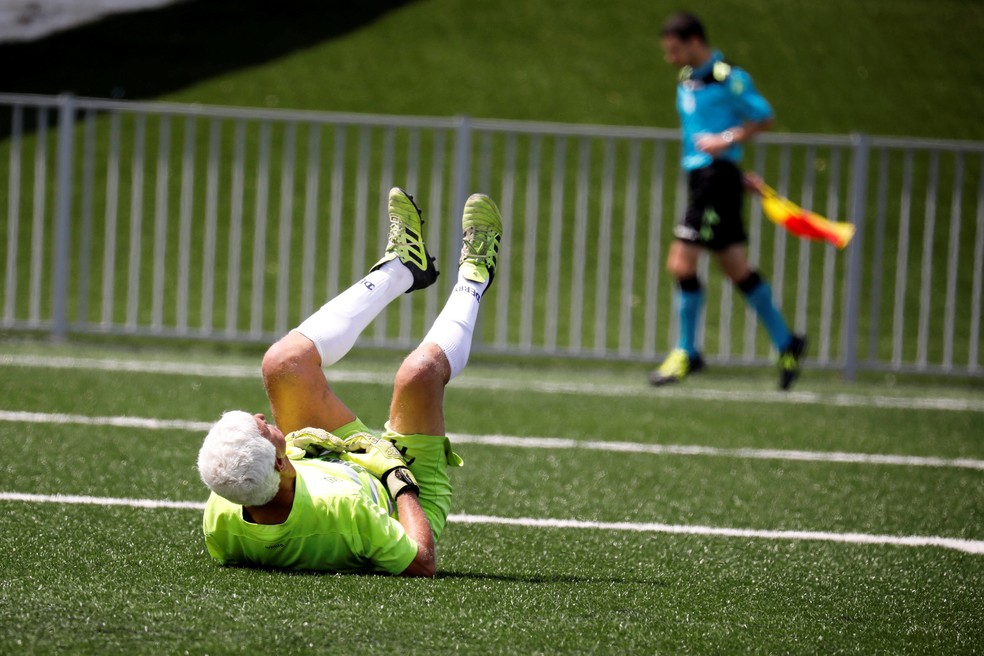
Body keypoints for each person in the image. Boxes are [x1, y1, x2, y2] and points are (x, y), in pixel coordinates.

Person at [197, 187, 503, 577]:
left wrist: (302, 453)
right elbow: (421, 561)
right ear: (279, 463)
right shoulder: (344, 510)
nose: (261, 417)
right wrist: (397, 478)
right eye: (263, 430)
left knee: (283, 364)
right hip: (400, 494)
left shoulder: (222, 509)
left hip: (326, 461)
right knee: (419, 373)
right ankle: (474, 276)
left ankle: (403, 268)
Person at [650, 11, 806, 391]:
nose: (670, 58)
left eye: (674, 49)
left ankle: (687, 352)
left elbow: (763, 117)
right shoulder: (687, 81)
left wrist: (728, 142)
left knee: (680, 262)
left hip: (714, 180)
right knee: (736, 267)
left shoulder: (729, 78)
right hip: (711, 178)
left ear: (694, 42)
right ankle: (787, 342)